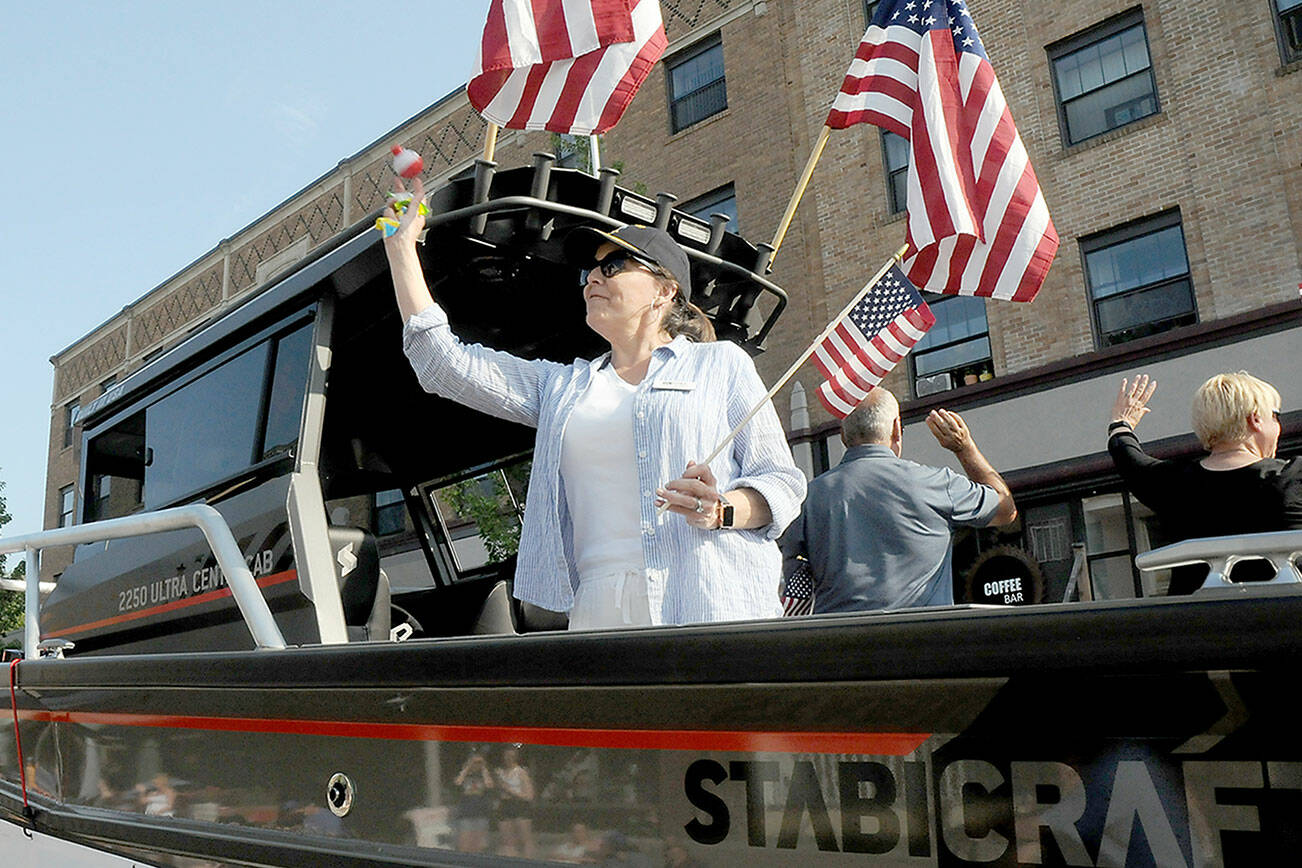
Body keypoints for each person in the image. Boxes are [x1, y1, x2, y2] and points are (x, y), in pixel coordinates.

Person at [386, 176, 805, 628]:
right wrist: (399, 246)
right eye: (590, 273)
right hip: (598, 605)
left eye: (614, 266)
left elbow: (782, 483)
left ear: (665, 291)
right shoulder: (564, 388)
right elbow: (443, 364)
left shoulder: (720, 365)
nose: (592, 280)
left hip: (707, 597)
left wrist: (721, 509)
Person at [779, 389, 1016, 612]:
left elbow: (792, 580)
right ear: (897, 428)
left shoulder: (806, 499)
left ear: (843, 435)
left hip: (839, 646)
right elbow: (1005, 509)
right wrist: (965, 448)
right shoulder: (937, 484)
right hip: (923, 646)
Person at [1108, 372, 1301, 594]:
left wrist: (1121, 422)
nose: (1278, 426)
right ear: (1255, 419)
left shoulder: (1170, 483)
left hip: (1197, 623)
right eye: (1275, 417)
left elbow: (1126, 455)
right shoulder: (1294, 478)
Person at [492, 746, 536, 859]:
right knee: (507, 841)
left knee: (525, 839)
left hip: (519, 805)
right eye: (506, 756)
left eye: (511, 756)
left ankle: (528, 863)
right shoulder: (499, 772)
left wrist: (509, 790)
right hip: (504, 805)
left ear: (516, 757)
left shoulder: (521, 772)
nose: (508, 758)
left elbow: (529, 796)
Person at [453, 751, 494, 853]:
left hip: (481, 815)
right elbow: (457, 784)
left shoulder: (485, 776)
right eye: (474, 762)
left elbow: (490, 786)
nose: (476, 765)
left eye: (478, 762)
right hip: (465, 815)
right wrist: (467, 767)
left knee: (479, 847)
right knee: (464, 846)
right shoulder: (463, 775)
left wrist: (484, 768)